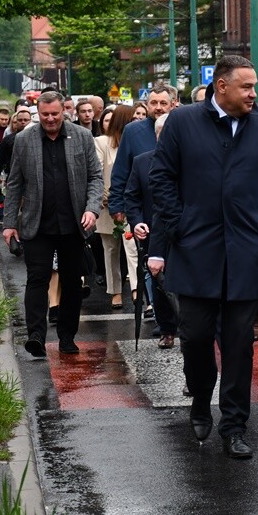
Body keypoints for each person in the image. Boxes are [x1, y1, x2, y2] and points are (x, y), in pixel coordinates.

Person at [149, 55, 258, 459]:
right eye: (246, 87)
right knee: (194, 337)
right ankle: (199, 398)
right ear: (221, 87)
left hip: (246, 255)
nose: (254, 94)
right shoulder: (183, 122)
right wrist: (181, 226)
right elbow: (162, 178)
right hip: (196, 253)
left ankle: (234, 425)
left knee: (240, 343)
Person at [3, 91, 104, 357]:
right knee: (37, 278)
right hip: (38, 223)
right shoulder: (24, 140)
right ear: (38, 113)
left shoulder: (81, 137)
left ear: (64, 112)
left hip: (73, 223)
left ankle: (67, 337)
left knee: (72, 282)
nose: (50, 119)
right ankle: (35, 335)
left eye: (55, 114)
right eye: (45, 114)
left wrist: (92, 209)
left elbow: (95, 177)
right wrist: (9, 223)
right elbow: (14, 183)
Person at [126, 114, 177, 349]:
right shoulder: (142, 162)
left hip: (182, 233)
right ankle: (166, 329)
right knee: (158, 284)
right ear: (156, 136)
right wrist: (136, 222)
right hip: (153, 233)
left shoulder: (189, 162)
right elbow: (132, 196)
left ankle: (188, 327)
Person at [107, 85, 174, 228]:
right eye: (153, 103)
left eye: (163, 103)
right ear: (146, 105)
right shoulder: (132, 131)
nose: (158, 107)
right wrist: (117, 205)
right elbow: (121, 169)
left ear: (172, 105)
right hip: (143, 207)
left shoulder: (180, 127)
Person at [95, 105, 137, 310]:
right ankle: (115, 292)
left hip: (132, 205)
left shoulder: (135, 142)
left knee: (132, 249)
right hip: (107, 205)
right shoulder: (102, 142)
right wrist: (108, 199)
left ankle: (137, 290)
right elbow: (97, 173)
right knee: (111, 250)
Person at [0, 107, 33, 224]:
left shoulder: (37, 140)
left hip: (32, 180)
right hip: (14, 179)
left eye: (26, 120)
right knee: (14, 207)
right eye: (20, 120)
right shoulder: (8, 141)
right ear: (15, 122)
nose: (23, 122)